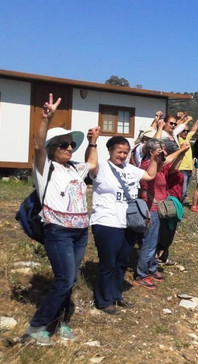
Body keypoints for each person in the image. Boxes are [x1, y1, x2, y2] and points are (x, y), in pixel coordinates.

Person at [22, 94, 95, 345]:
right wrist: (46, 118)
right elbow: (38, 145)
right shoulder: (45, 168)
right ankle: (36, 326)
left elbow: (92, 164)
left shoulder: (74, 167)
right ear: (53, 148)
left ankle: (60, 322)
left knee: (70, 279)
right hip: (59, 231)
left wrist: (93, 142)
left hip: (80, 232)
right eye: (63, 145)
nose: (69, 148)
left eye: (71, 145)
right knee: (64, 280)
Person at [89, 135, 162, 315]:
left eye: (125, 152)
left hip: (128, 223)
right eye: (119, 152)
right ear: (110, 151)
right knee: (108, 262)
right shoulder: (101, 167)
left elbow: (150, 175)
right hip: (106, 222)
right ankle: (104, 300)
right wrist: (92, 142)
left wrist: (154, 159)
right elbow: (90, 163)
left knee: (122, 262)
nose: (122, 155)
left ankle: (116, 294)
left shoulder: (130, 169)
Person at [136, 139, 190, 290]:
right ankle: (142, 274)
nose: (164, 154)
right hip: (151, 210)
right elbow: (165, 162)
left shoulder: (157, 165)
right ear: (151, 153)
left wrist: (180, 154)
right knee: (149, 243)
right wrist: (180, 150)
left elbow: (168, 164)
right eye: (160, 151)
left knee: (155, 241)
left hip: (158, 209)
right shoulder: (147, 165)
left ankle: (152, 268)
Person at [177, 117, 198, 204]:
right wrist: (182, 119)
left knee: (186, 191)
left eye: (187, 131)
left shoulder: (186, 138)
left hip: (189, 168)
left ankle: (181, 207)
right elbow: (177, 128)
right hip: (181, 168)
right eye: (184, 130)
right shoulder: (177, 139)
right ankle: (177, 207)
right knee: (182, 191)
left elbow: (193, 131)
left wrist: (197, 121)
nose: (186, 132)